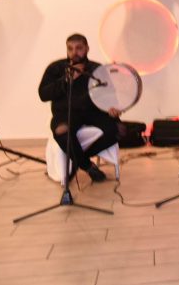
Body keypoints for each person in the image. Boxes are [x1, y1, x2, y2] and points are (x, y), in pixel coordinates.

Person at [39, 34, 121, 182]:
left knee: (120, 131)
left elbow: (110, 95)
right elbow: (43, 94)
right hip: (66, 112)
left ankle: (77, 160)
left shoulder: (97, 69)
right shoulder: (56, 68)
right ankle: (87, 166)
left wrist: (112, 109)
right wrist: (66, 80)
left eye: (79, 48)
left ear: (87, 49)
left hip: (93, 112)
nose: (74, 53)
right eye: (70, 49)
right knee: (61, 131)